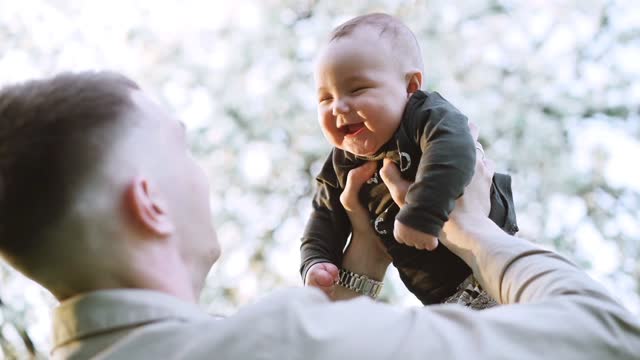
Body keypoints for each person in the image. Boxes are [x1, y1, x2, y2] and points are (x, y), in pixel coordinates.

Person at [0, 72, 638, 359]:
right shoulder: (282, 343)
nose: (201, 174)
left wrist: (363, 253)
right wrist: (477, 229)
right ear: (151, 203)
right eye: (181, 149)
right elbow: (605, 337)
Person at [301, 13, 518, 305]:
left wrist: (423, 212)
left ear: (410, 87)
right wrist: (316, 262)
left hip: (494, 264)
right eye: (325, 98)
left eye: (357, 89)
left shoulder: (424, 117)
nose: (339, 106)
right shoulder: (341, 165)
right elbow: (324, 217)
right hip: (443, 297)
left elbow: (453, 150)